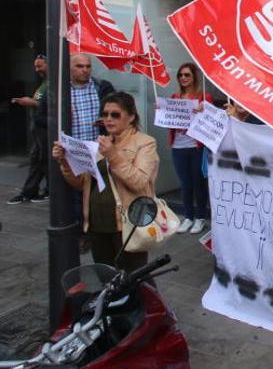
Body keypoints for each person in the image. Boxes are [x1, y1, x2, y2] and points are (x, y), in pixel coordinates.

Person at [52, 92, 157, 273]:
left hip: (126, 225)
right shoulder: (100, 143)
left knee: (134, 278)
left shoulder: (145, 143)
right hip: (96, 224)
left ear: (131, 117)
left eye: (115, 114)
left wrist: (113, 155)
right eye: (105, 114)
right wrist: (65, 162)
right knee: (106, 276)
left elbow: (140, 182)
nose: (108, 119)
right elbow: (82, 184)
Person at [64, 54, 115, 252]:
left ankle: (98, 231)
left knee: (98, 192)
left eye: (88, 66)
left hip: (98, 151)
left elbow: (116, 110)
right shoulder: (61, 91)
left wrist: (106, 123)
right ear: (70, 69)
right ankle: (82, 233)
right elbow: (44, 117)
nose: (85, 70)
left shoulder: (102, 87)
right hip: (73, 151)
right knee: (77, 195)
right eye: (79, 66)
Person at [169, 63, 213, 235]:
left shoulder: (204, 97)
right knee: (185, 184)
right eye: (180, 75)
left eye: (187, 74)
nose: (183, 78)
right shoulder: (175, 97)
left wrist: (205, 109)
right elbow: (168, 122)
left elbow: (211, 120)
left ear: (194, 76)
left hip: (196, 148)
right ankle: (188, 216)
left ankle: (200, 217)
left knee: (198, 184)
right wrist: (162, 111)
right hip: (178, 146)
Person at [7, 54, 49, 205]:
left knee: (40, 158)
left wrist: (30, 102)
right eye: (35, 66)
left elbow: (49, 105)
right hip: (38, 127)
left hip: (44, 127)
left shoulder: (52, 83)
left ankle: (33, 191)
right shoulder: (44, 83)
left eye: (40, 66)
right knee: (38, 159)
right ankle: (33, 191)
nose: (37, 69)